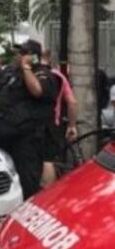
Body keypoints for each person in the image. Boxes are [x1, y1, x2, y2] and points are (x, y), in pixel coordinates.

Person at [0, 40, 59, 199]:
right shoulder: (12, 72)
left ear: (33, 56)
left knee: (27, 180)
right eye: (19, 53)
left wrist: (26, 67)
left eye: (23, 53)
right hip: (5, 135)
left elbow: (37, 90)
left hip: (27, 139)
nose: (18, 56)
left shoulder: (42, 73)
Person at [40, 50, 79, 188]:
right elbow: (72, 102)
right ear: (50, 58)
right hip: (52, 123)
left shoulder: (30, 74)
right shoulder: (58, 76)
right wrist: (72, 126)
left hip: (31, 124)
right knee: (48, 160)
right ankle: (48, 192)